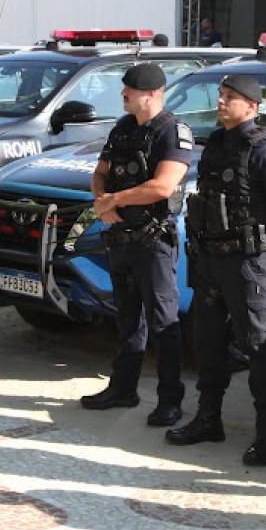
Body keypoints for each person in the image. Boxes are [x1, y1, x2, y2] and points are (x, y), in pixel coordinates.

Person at [168, 73, 266, 464]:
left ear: (252, 105)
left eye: (231, 97)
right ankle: (208, 419)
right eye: (221, 96)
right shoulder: (216, 145)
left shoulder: (265, 150)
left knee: (259, 349)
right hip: (211, 261)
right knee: (208, 344)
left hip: (248, 265)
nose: (221, 103)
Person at [80, 62, 193, 424]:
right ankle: (123, 389)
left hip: (153, 240)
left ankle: (169, 400)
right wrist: (102, 202)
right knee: (127, 318)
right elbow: (100, 174)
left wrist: (115, 200)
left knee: (163, 321)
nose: (122, 94)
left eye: (128, 89)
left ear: (150, 94)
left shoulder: (173, 132)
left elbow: (162, 186)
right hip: (120, 238)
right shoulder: (123, 128)